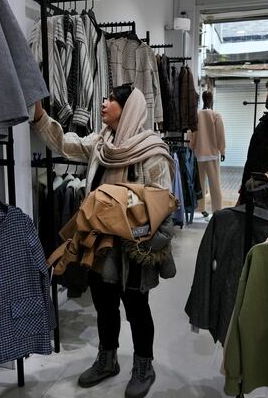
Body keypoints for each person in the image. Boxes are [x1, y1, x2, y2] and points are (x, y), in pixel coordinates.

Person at [31, 84, 174, 398]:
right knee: (104, 305)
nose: (105, 103)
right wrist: (40, 116)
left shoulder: (151, 150)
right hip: (99, 242)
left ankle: (143, 366)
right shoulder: (101, 143)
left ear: (128, 109)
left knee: (137, 308)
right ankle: (107, 359)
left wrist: (133, 226)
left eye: (111, 99)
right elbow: (65, 144)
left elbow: (162, 201)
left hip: (134, 245)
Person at [190, 90, 226, 215]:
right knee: (215, 184)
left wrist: (191, 147)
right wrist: (222, 151)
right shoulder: (216, 115)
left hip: (198, 154)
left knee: (199, 184)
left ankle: (200, 209)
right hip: (212, 154)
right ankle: (217, 210)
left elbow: (192, 133)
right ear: (211, 100)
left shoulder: (197, 115)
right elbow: (220, 134)